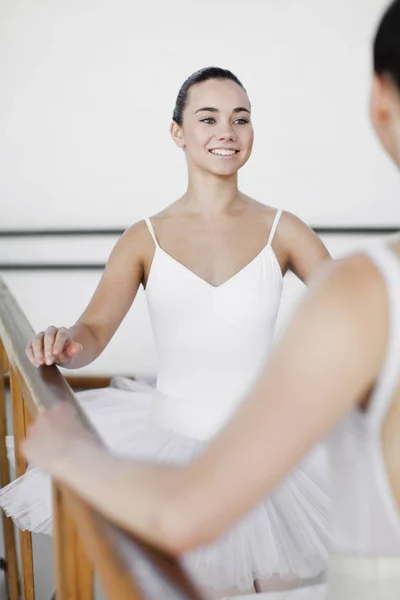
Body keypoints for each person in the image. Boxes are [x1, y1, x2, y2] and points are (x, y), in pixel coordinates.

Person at [0, 67, 331, 597]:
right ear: (178, 132)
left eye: (240, 119)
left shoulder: (284, 229)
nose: (227, 131)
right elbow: (94, 331)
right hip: (168, 438)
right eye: (209, 118)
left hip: (263, 444)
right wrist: (65, 340)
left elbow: (348, 306)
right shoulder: (144, 238)